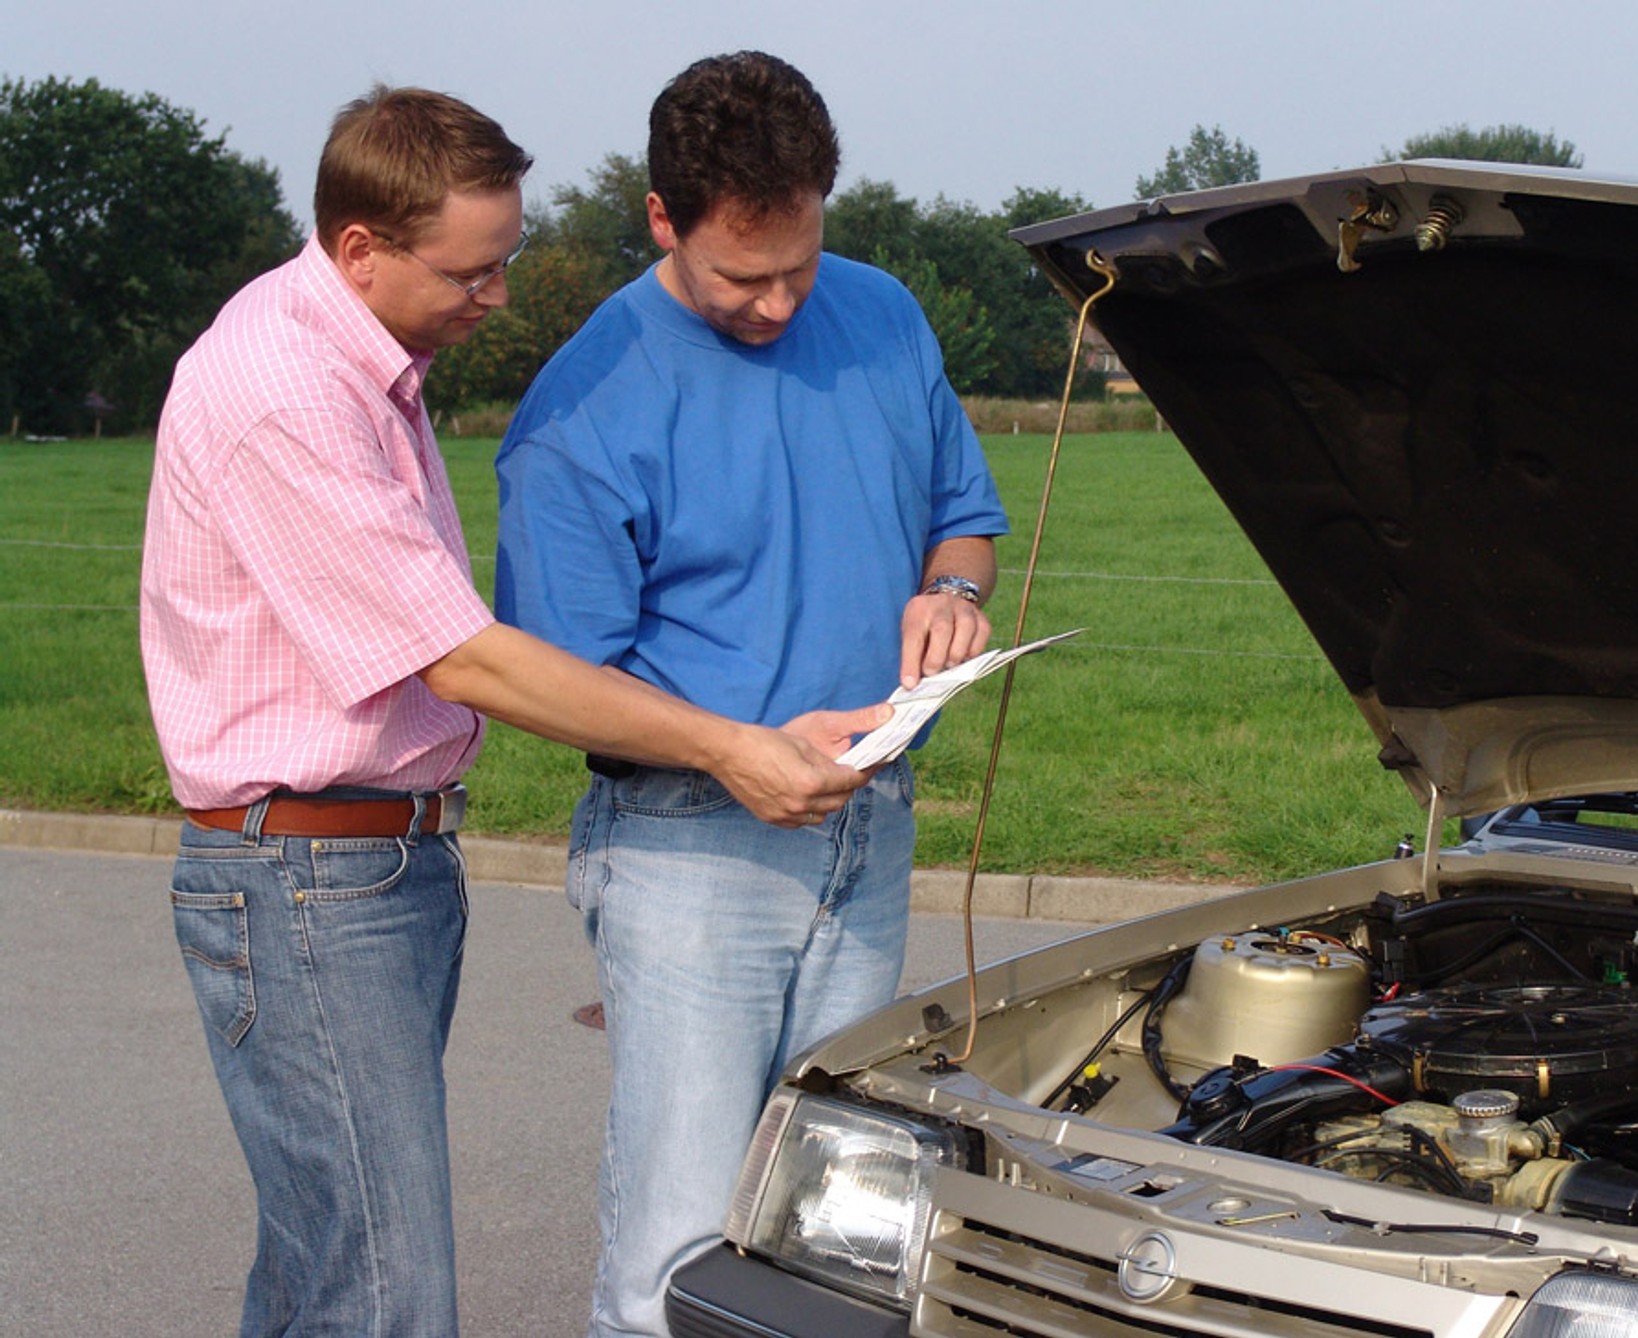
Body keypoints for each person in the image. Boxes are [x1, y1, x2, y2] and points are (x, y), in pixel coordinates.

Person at [139, 84, 884, 1338]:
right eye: (470, 271)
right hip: (306, 873)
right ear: (362, 248)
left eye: (507, 258)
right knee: (382, 1295)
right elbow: (466, 660)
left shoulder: (360, 358)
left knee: (331, 1265)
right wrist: (729, 747)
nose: (494, 294)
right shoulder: (288, 392)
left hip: (362, 863)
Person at [493, 50, 1011, 1338]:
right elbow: (549, 684)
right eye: (741, 277)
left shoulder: (882, 312)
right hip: (686, 854)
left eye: (799, 264)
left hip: (868, 826)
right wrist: (734, 750)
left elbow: (963, 516)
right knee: (674, 1242)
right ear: (661, 219)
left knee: (838, 1218)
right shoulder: (585, 402)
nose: (780, 303)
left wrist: (951, 588)